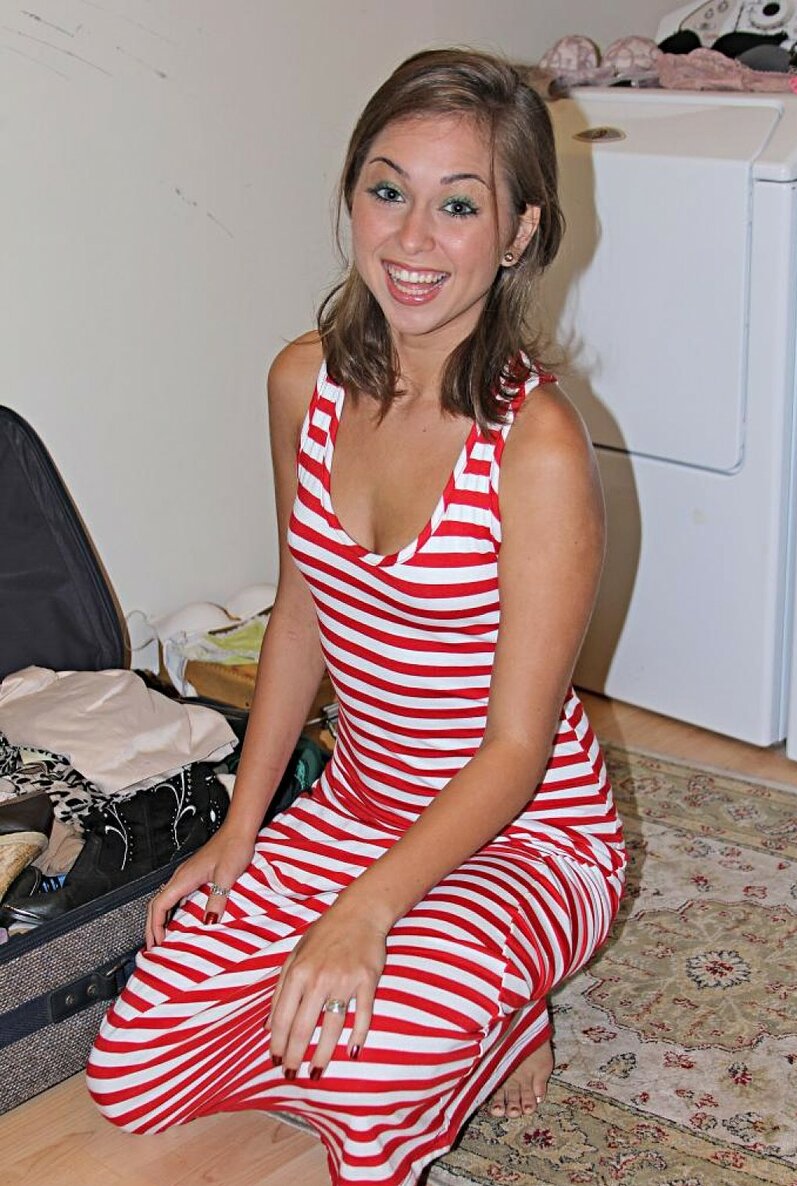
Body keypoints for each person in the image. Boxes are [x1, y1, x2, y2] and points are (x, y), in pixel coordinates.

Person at [87, 47, 626, 1186]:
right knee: (133, 1073)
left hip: (528, 833)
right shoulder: (303, 382)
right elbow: (301, 613)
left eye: (459, 205)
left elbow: (517, 748)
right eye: (388, 191)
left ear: (519, 232)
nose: (412, 238)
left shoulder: (535, 449)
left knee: (367, 1082)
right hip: (360, 803)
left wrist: (367, 912)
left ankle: (492, 1010)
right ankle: (460, 1005)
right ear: (351, 196)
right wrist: (241, 828)